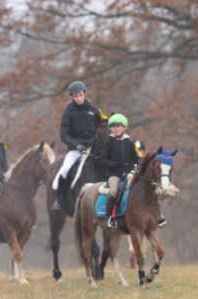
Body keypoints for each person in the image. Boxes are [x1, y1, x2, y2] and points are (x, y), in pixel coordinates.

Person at [52, 81, 107, 210]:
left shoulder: (94, 110)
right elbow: (64, 134)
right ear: (72, 97)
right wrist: (76, 145)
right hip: (76, 149)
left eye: (81, 95)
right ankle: (59, 199)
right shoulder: (68, 111)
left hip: (93, 147)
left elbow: (104, 123)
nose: (79, 98)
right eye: (76, 96)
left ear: (84, 94)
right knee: (65, 169)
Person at [100, 114, 139, 228]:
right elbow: (103, 159)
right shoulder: (108, 141)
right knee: (113, 191)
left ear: (124, 127)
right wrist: (114, 165)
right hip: (114, 175)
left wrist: (133, 170)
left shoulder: (130, 142)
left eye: (118, 125)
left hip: (128, 175)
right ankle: (109, 217)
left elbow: (136, 160)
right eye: (112, 126)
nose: (115, 128)